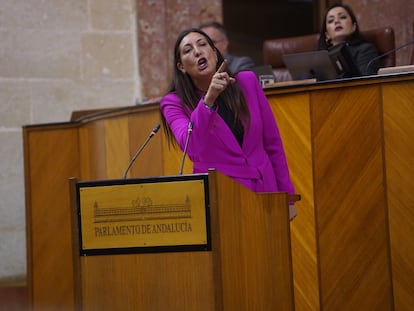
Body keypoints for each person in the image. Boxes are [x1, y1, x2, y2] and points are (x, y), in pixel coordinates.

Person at [160, 28, 296, 219]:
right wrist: (208, 101)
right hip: (221, 198)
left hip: (266, 192)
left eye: (202, 44)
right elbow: (190, 145)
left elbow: (273, 144)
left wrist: (288, 198)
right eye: (188, 50)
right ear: (182, 67)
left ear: (214, 53)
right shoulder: (174, 103)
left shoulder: (247, 82)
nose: (198, 52)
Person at [317, 3, 380, 76]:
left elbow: (366, 82)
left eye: (342, 17)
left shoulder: (365, 50)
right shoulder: (321, 58)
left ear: (353, 27)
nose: (337, 21)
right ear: (327, 35)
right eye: (331, 20)